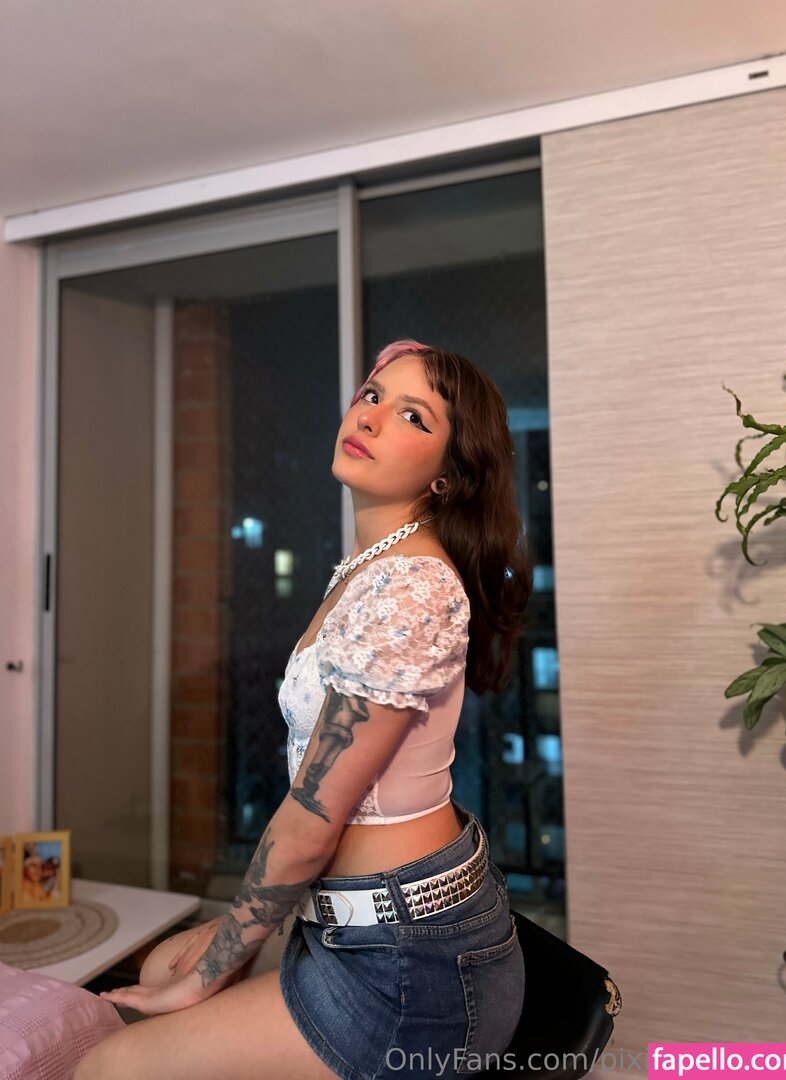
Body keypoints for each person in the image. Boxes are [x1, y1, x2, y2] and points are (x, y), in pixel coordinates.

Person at [78, 340, 531, 1080]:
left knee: (111, 1067)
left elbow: (312, 819)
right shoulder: (372, 564)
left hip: (410, 965)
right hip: (358, 922)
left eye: (412, 415)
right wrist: (234, 942)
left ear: (448, 475)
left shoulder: (411, 585)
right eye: (372, 395)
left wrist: (222, 959)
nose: (371, 417)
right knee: (162, 966)